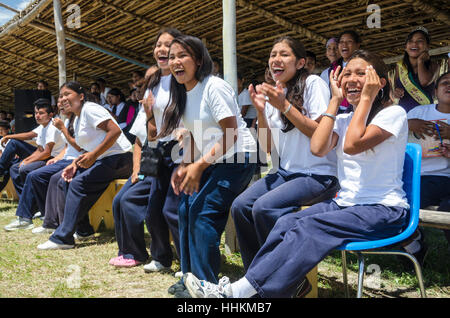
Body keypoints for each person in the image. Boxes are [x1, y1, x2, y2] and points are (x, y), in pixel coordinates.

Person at [183, 50, 410, 299]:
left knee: (308, 227)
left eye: (361, 74)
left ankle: (239, 293)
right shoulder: (344, 119)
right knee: (286, 223)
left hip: (382, 209)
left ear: (380, 82)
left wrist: (366, 99)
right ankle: (264, 288)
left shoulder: (393, 114)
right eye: (347, 74)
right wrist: (334, 102)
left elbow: (352, 145)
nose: (352, 79)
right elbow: (318, 147)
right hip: (345, 205)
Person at [158, 35, 257, 295]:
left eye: (182, 56)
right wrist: (185, 165)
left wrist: (199, 166)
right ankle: (189, 278)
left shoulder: (214, 86)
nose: (176, 62)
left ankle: (205, 285)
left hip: (238, 157)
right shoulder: (184, 93)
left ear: (199, 60)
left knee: (203, 213)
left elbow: (231, 133)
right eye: (172, 57)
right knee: (185, 208)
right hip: (214, 158)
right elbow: (196, 134)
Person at [231, 36, 339, 271]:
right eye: (272, 55)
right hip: (285, 173)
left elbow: (321, 135)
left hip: (318, 175)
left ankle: (283, 274)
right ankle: (256, 274)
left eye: (284, 54)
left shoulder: (313, 84)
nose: (276, 60)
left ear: (300, 63)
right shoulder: (276, 93)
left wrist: (285, 107)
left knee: (264, 207)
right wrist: (261, 112)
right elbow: (268, 148)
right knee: (240, 206)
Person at [110, 27, 183, 271]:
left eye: (168, 45)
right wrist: (138, 169)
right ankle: (160, 257)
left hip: (180, 148)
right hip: (157, 149)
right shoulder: (153, 85)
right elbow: (147, 134)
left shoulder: (183, 79)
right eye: (158, 44)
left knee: (169, 209)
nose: (162, 49)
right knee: (151, 209)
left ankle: (186, 264)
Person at [36, 81, 133, 250]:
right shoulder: (78, 118)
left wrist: (94, 155)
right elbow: (86, 148)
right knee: (64, 180)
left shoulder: (90, 109)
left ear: (81, 96)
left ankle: (63, 236)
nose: (64, 98)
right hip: (103, 160)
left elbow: (115, 131)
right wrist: (74, 163)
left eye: (68, 94)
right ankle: (83, 229)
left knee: (78, 183)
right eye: (61, 95)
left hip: (120, 159)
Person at [402, 71, 450, 262]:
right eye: (445, 82)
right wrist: (407, 124)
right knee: (398, 208)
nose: (449, 85)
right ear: (435, 91)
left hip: (447, 178)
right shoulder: (419, 113)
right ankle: (414, 247)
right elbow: (390, 137)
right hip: (419, 177)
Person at [4, 98, 65, 231]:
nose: (37, 115)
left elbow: (46, 152)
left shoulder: (52, 127)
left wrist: (27, 161)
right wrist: (26, 160)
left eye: (41, 113)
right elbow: (39, 148)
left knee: (28, 171)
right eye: (36, 112)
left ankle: (26, 216)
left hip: (55, 159)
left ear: (50, 115)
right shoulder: (43, 126)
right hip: (46, 157)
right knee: (15, 168)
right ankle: (30, 206)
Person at [393, 27, 439, 113]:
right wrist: (395, 92)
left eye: (420, 41)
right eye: (410, 41)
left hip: (425, 114)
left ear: (427, 46)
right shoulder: (400, 66)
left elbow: (424, 82)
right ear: (406, 47)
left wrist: (420, 61)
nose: (414, 44)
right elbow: (395, 87)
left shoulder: (434, 66)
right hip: (404, 114)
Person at [336, 30, 362, 113]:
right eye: (341, 42)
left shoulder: (365, 64)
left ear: (357, 45)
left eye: (349, 41)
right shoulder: (334, 67)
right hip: (338, 109)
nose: (344, 45)